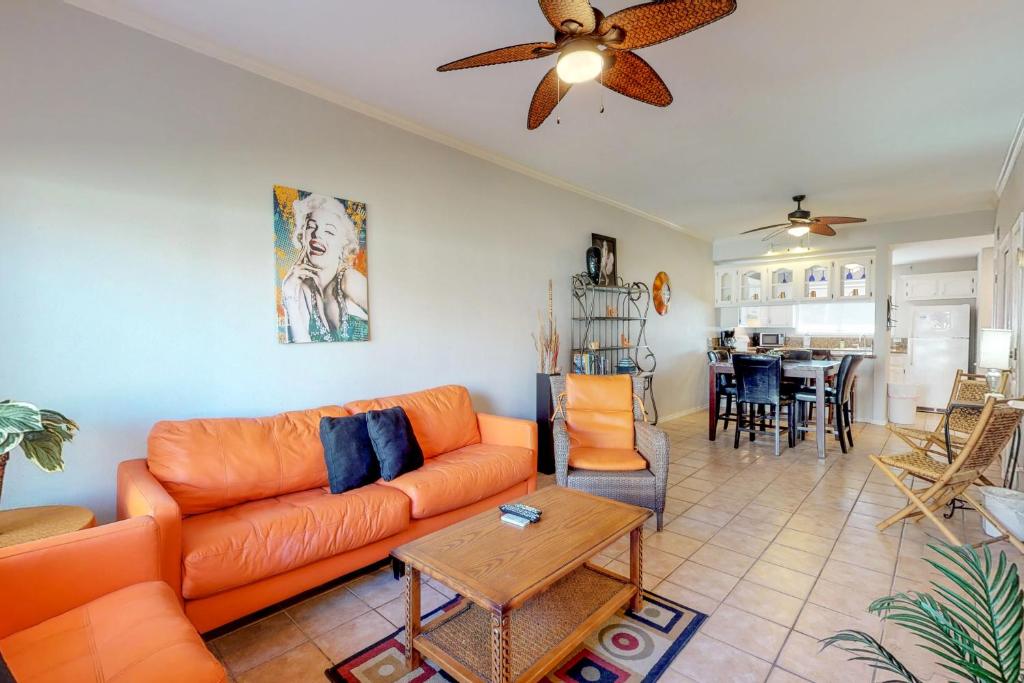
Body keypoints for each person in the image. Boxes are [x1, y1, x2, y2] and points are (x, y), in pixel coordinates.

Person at [280, 194, 368, 342]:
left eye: (329, 231)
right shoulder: (304, 290)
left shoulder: (349, 280)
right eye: (311, 226)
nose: (317, 234)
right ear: (303, 236)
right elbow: (300, 346)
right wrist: (288, 291)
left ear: (343, 245)